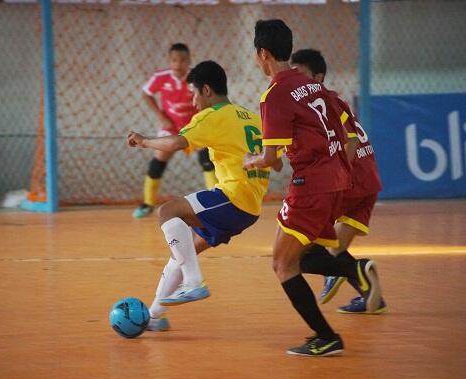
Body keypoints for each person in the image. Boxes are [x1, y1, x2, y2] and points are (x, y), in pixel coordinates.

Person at [243, 19, 383, 357]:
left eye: (255, 55)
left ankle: (326, 336)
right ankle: (355, 269)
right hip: (337, 182)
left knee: (282, 264)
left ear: (263, 53)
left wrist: (251, 161)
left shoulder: (274, 95)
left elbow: (270, 157)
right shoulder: (315, 86)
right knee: (303, 256)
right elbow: (349, 129)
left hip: (311, 186)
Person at [127, 60, 280, 331]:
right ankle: (154, 316)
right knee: (182, 252)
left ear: (207, 90)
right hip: (250, 206)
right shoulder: (252, 117)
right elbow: (276, 161)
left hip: (233, 197)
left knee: (167, 212)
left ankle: (194, 282)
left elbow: (175, 143)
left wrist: (144, 141)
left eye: (194, 94)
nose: (194, 102)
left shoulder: (211, 116)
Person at [290, 49, 386, 314]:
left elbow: (345, 144)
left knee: (302, 251)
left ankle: (337, 272)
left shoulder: (316, 104)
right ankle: (370, 294)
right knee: (333, 247)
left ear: (318, 77)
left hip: (349, 182)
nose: (295, 81)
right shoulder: (334, 100)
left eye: (301, 75)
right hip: (369, 181)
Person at [133, 43, 218, 218]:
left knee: (207, 159)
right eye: (174, 60)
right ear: (169, 61)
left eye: (183, 60)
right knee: (158, 160)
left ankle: (216, 201)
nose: (179, 64)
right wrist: (160, 115)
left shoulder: (197, 76)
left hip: (194, 125)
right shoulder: (161, 77)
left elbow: (210, 96)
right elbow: (146, 93)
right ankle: (148, 203)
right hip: (170, 127)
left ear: (189, 61)